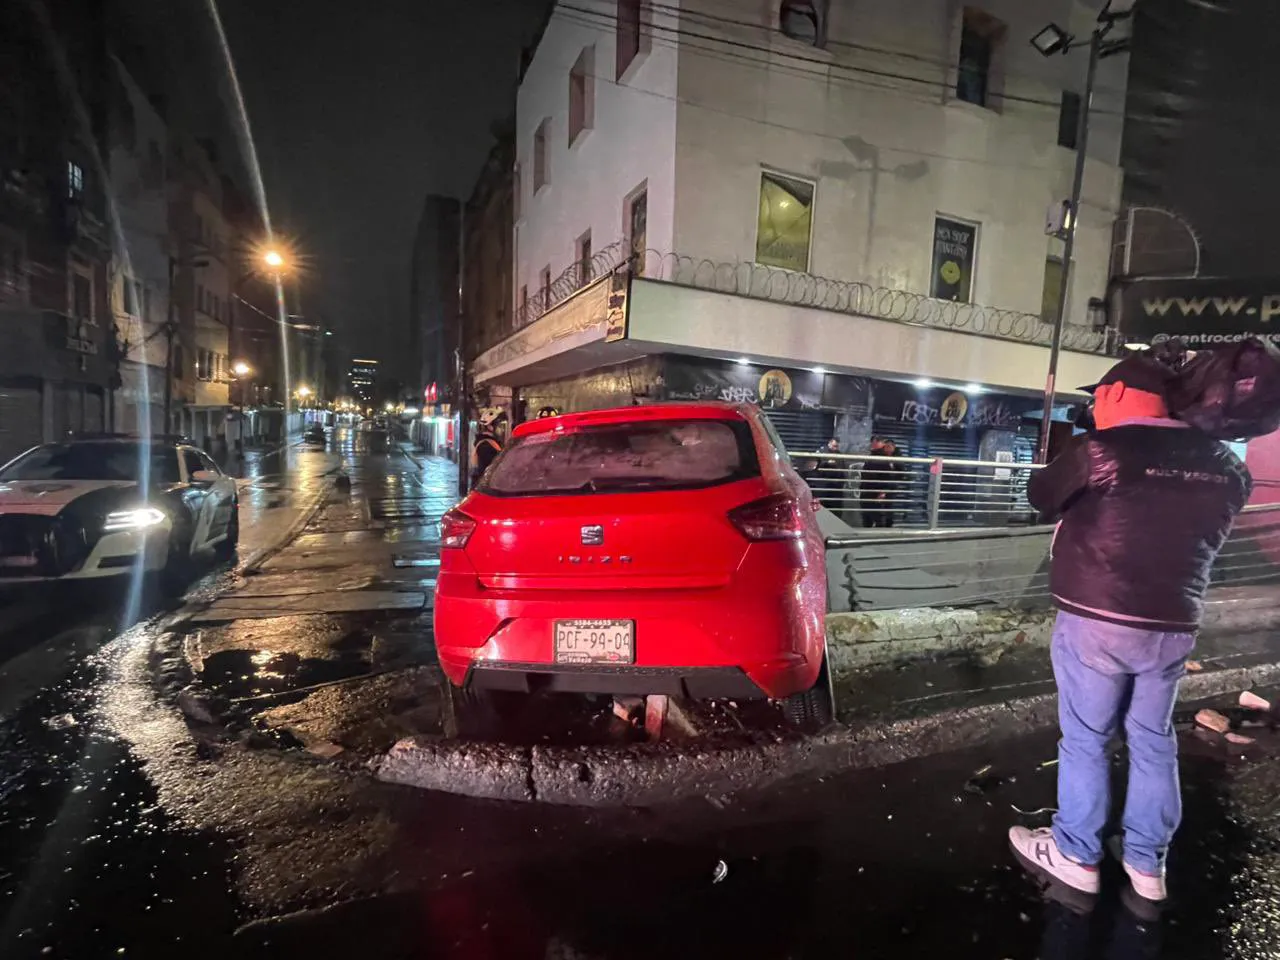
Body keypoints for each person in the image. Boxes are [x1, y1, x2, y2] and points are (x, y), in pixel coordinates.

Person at [1008, 354, 1251, 905]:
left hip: (1097, 620)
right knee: (1152, 739)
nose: (1094, 404)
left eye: (1099, 396)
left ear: (1117, 394)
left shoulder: (1100, 450)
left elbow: (1041, 497)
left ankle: (1075, 855)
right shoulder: (1226, 464)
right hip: (1172, 624)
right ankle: (1147, 863)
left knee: (1087, 740)